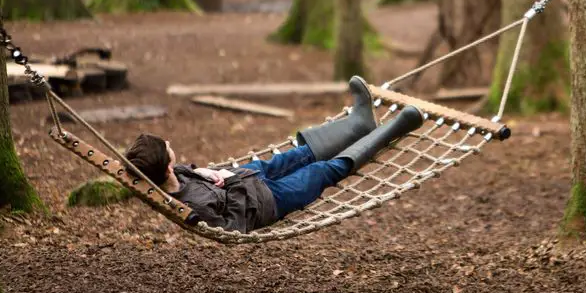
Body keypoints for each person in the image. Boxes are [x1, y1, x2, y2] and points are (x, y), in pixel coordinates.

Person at [124, 77, 424, 233]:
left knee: (303, 153)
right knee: (320, 172)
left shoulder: (173, 178)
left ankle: (360, 121)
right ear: (165, 167)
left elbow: (191, 175)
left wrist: (204, 172)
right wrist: (228, 188)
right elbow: (231, 228)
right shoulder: (192, 208)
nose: (168, 141)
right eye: (166, 147)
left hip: (252, 175)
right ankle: (391, 131)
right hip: (268, 201)